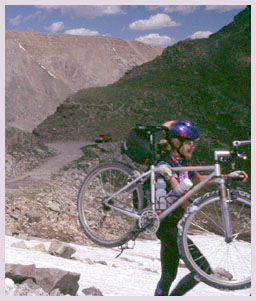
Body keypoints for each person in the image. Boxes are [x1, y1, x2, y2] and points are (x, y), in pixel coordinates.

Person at [154, 119, 248, 296]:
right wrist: (188, 203)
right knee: (202, 270)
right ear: (176, 142)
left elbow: (198, 180)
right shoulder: (166, 162)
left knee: (168, 276)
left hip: (174, 225)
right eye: (189, 143)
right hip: (168, 225)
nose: (193, 147)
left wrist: (226, 177)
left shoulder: (181, 162)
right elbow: (177, 191)